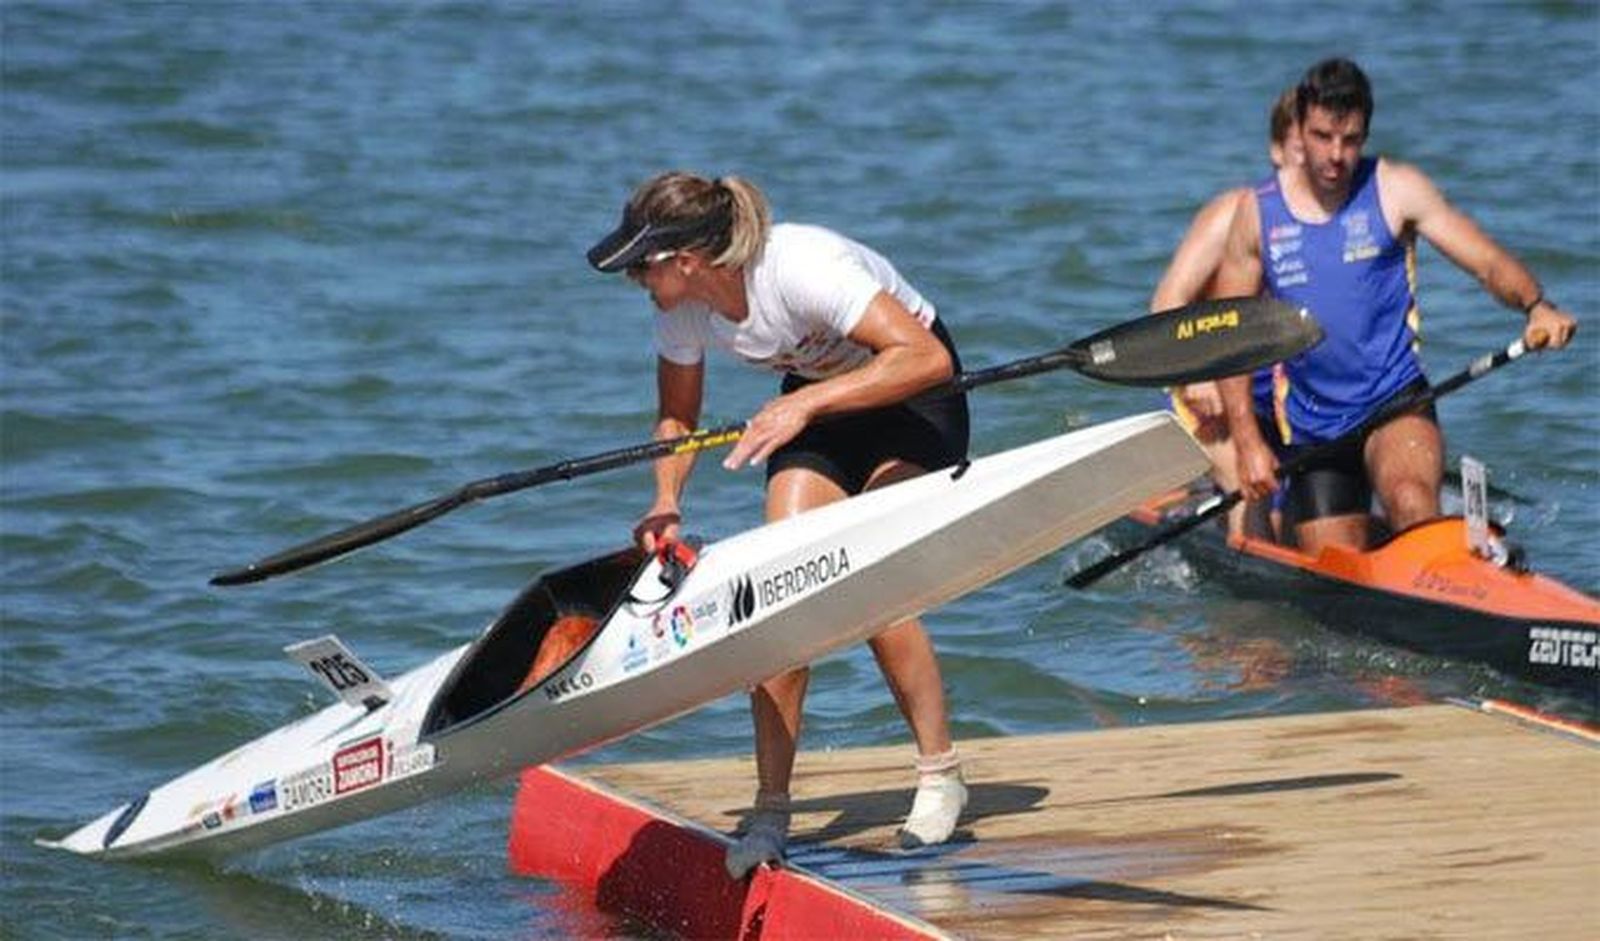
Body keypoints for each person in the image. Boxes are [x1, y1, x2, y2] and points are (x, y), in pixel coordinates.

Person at [587, 172, 970, 878]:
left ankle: (941, 774)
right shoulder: (680, 309)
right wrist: (665, 498)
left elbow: (927, 357)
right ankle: (771, 811)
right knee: (779, 585)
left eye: (642, 264)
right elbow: (679, 419)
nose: (634, 278)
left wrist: (804, 407)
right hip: (821, 407)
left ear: (687, 261)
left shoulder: (801, 266)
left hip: (916, 400)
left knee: (868, 571)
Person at [1212, 57, 1577, 556]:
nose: (1336, 155)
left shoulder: (1395, 189)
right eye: (1322, 136)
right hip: (1315, 427)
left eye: (1351, 139)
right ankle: (1441, 551)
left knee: (1410, 500)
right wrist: (1248, 441)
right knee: (1338, 569)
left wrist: (1536, 304)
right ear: (1298, 127)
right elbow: (1230, 333)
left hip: (1394, 400)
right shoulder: (1256, 213)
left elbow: (1485, 262)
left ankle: (1457, 562)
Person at [1150, 87, 1301, 539]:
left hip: (1281, 401)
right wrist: (1197, 374)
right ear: (1277, 150)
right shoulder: (1232, 213)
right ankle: (1250, 587)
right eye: (1297, 151)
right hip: (1209, 396)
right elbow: (1165, 305)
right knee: (1244, 476)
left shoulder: (1327, 225)